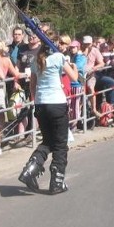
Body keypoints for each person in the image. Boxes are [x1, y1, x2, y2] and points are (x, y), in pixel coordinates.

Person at [18, 33, 78, 195]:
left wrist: (35, 100)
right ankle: (57, 181)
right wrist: (73, 65)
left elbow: (32, 85)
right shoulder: (59, 57)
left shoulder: (36, 60)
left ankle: (30, 169)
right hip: (56, 103)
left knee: (48, 141)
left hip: (41, 103)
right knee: (60, 144)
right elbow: (74, 78)